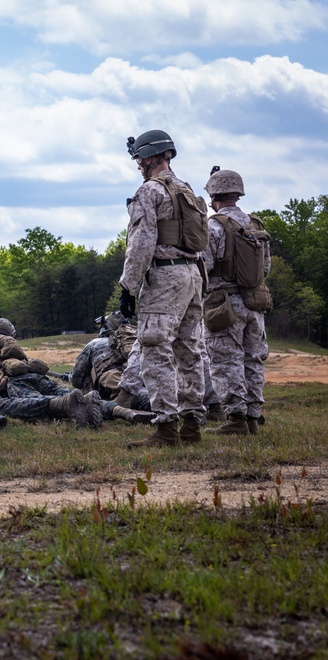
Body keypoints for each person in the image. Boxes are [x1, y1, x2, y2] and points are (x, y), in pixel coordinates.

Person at [121, 129, 208, 447]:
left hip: (164, 280)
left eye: (139, 159)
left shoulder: (150, 192)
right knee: (189, 352)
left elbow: (141, 244)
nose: (138, 165)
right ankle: (191, 425)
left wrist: (128, 287)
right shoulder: (188, 191)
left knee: (155, 351)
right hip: (193, 277)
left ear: (151, 157)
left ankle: (166, 428)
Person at [200, 168, 272, 435]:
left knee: (225, 361)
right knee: (253, 360)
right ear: (238, 193)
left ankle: (236, 420)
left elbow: (204, 266)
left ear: (214, 195)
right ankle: (253, 418)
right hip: (255, 303)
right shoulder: (256, 226)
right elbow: (264, 268)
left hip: (224, 304)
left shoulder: (213, 226)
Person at [0, 317, 103, 428]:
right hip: (35, 376)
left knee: (36, 403)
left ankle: (67, 404)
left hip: (11, 380)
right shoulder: (10, 345)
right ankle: (112, 409)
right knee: (66, 393)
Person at [69, 312, 154, 424]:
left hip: (117, 382)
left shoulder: (95, 344)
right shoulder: (135, 341)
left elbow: (76, 377)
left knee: (141, 398)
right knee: (149, 395)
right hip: (142, 378)